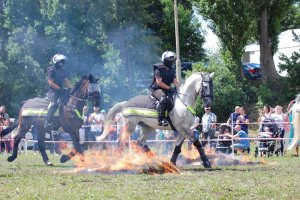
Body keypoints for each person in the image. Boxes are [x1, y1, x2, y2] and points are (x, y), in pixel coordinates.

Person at [150, 51, 179, 126]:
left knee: (174, 100)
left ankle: (171, 118)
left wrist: (180, 89)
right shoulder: (158, 68)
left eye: (172, 60)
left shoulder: (172, 70)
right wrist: (170, 88)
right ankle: (161, 119)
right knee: (164, 99)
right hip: (157, 89)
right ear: (165, 59)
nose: (171, 61)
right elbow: (159, 82)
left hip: (167, 90)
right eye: (170, 59)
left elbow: (175, 81)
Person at [44, 54, 72, 132]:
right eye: (60, 61)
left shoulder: (63, 71)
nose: (62, 63)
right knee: (54, 103)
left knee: (68, 101)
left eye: (63, 62)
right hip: (52, 91)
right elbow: (50, 82)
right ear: (56, 61)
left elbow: (66, 82)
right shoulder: (51, 70)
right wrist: (60, 89)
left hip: (61, 91)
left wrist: (72, 89)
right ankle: (47, 122)